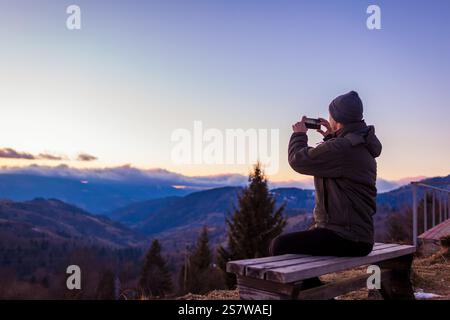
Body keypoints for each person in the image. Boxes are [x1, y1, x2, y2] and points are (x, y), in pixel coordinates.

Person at [269, 91, 382, 260]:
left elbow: (298, 160)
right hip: (360, 235)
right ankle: (311, 285)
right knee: (306, 239)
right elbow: (340, 164)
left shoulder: (341, 148)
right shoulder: (361, 143)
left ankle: (309, 287)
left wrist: (299, 135)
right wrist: (331, 137)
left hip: (347, 237)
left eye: (331, 116)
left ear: (337, 120)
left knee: (279, 245)